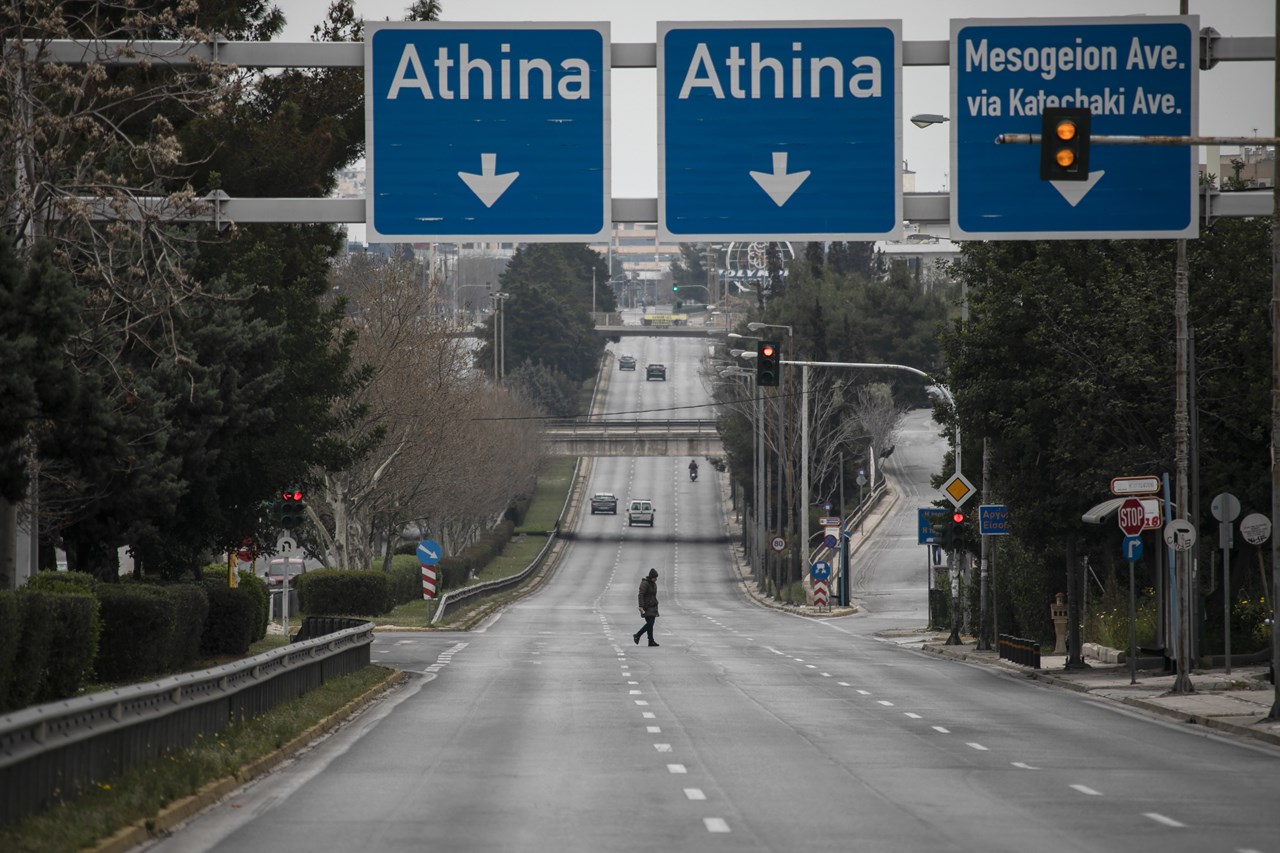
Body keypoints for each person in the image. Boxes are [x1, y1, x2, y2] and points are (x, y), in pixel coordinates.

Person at [633, 568, 660, 646]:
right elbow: (641, 595)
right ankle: (637, 635)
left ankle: (650, 641)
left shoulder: (654, 584)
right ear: (651, 577)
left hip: (653, 607)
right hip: (647, 607)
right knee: (650, 624)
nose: (656, 579)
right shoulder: (644, 583)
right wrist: (641, 606)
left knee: (650, 624)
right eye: (655, 578)